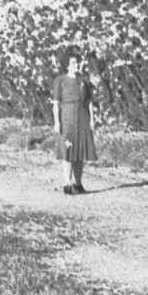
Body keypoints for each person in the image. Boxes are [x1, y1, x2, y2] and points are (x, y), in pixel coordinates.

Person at [49, 51, 97, 195]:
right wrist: (57, 122)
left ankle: (78, 183)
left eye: (77, 62)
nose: (76, 65)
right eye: (73, 63)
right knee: (68, 149)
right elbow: (56, 103)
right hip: (67, 116)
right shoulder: (60, 81)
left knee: (80, 151)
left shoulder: (83, 80)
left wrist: (92, 119)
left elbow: (89, 101)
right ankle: (67, 183)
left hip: (82, 116)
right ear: (67, 65)